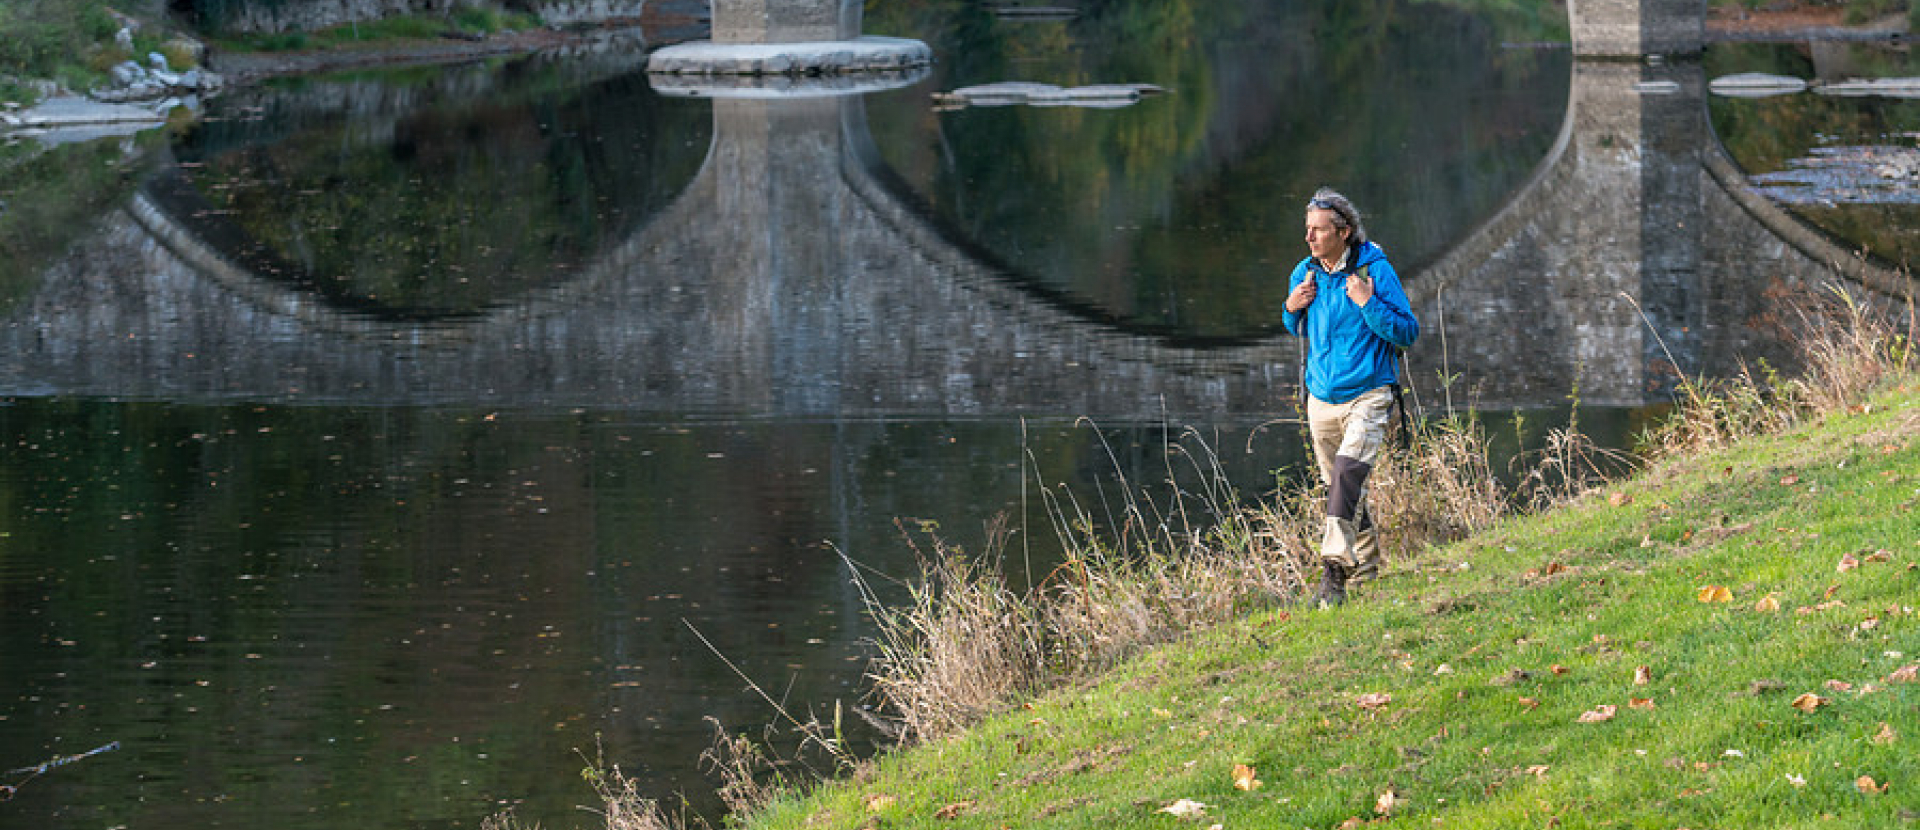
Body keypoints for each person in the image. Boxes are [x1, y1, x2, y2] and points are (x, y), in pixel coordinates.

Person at [1281, 188, 1419, 607]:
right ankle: (1367, 573)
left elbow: (1407, 332)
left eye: (1318, 230)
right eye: (1307, 229)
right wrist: (1291, 307)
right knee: (1341, 490)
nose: (1309, 237)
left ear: (1343, 232)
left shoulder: (1375, 270)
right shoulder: (1305, 272)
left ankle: (1333, 575)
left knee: (1345, 477)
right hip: (1321, 398)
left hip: (1369, 393)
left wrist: (1367, 302)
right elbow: (1295, 324)